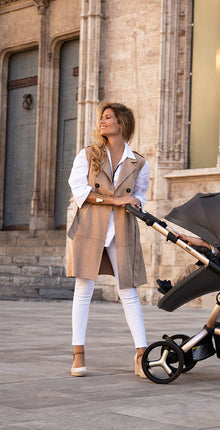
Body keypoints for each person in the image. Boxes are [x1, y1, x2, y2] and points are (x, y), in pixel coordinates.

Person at [67, 101, 149, 378]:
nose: (102, 122)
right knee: (83, 290)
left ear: (121, 124)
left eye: (108, 117)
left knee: (128, 291)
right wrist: (116, 199)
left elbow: (141, 197)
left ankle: (141, 356)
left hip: (122, 231)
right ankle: (78, 354)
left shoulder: (139, 162)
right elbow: (80, 191)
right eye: (102, 118)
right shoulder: (88, 155)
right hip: (90, 228)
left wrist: (135, 202)